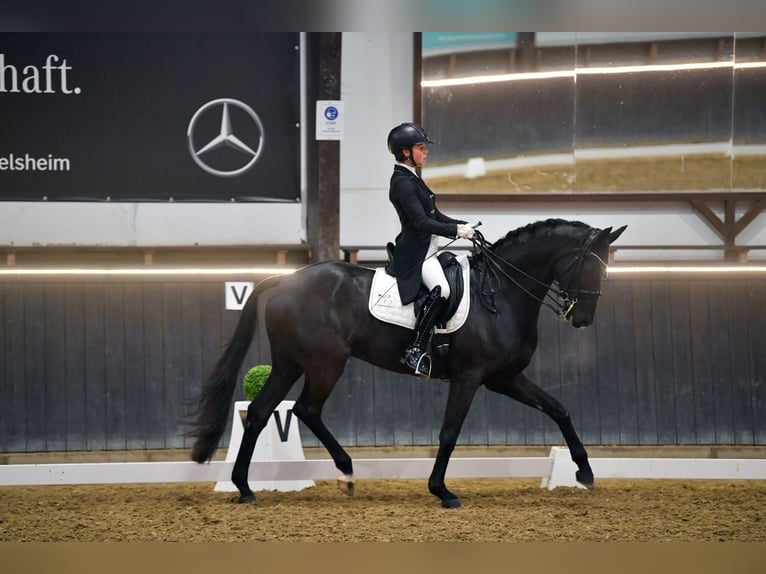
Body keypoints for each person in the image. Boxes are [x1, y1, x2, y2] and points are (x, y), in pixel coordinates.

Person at [386, 122, 475, 376]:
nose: (426, 152)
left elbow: (435, 214)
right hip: (416, 254)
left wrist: (462, 225)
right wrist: (457, 232)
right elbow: (422, 222)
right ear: (405, 152)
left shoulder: (412, 179)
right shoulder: (402, 183)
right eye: (421, 148)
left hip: (429, 249)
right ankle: (415, 348)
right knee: (442, 290)